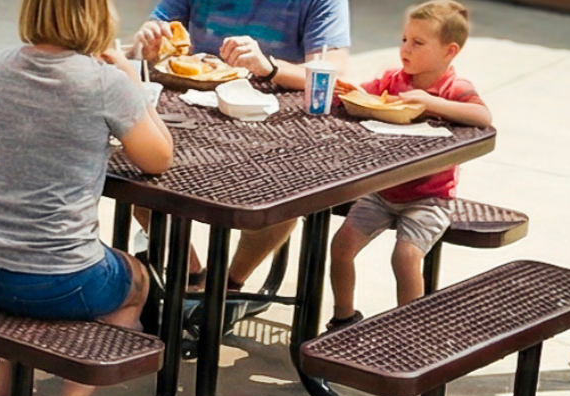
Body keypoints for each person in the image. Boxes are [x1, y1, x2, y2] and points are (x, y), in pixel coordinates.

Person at [0, 0, 173, 396]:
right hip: (58, 278)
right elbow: (159, 158)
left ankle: (4, 393)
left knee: (26, 278)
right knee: (136, 280)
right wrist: (133, 82)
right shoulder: (104, 83)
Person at [134, 0, 350, 328]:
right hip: (190, 113)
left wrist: (270, 67)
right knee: (137, 175)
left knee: (287, 198)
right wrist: (148, 42)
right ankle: (194, 278)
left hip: (277, 126)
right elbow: (153, 37)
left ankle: (227, 288)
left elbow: (332, 74)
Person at [327, 1, 489, 328]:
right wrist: (352, 92)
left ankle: (409, 329)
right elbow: (368, 97)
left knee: (404, 257)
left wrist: (432, 103)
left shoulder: (454, 89)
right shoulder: (394, 80)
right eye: (404, 39)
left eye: (417, 43)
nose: (406, 49)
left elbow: (483, 117)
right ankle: (343, 316)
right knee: (341, 246)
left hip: (429, 197)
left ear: (449, 51)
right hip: (383, 190)